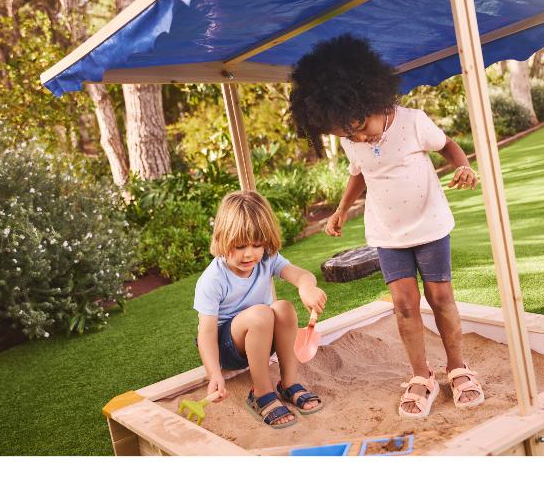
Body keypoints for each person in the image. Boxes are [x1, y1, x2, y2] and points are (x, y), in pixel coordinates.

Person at [289, 33, 484, 418]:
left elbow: (447, 145)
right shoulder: (352, 139)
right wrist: (342, 209)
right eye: (348, 134)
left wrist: (463, 166)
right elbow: (360, 172)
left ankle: (458, 367)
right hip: (388, 233)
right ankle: (422, 375)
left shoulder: (413, 122)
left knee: (440, 297)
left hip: (429, 225)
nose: (360, 137)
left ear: (372, 97)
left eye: (360, 125)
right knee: (404, 305)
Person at [194, 190, 326, 429]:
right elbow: (206, 333)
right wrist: (214, 373)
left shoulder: (267, 258)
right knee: (261, 313)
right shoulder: (213, 279)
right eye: (239, 246)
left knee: (284, 308)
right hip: (228, 348)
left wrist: (306, 288)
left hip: (262, 337)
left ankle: (288, 384)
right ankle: (261, 393)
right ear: (223, 239)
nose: (249, 254)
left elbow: (301, 275)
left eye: (257, 245)